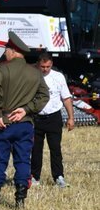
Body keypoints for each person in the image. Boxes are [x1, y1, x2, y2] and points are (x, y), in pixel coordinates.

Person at [0, 32, 49, 208]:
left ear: (13, 51)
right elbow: (44, 96)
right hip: (25, 123)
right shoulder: (35, 73)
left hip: (4, 123)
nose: (4, 52)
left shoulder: (1, 69)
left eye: (6, 49)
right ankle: (20, 198)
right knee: (22, 161)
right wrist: (27, 109)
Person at [31, 52, 75, 188]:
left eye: (48, 66)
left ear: (52, 65)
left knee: (55, 148)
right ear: (38, 64)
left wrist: (71, 117)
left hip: (54, 117)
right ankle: (34, 177)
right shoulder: (32, 76)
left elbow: (66, 98)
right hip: (37, 118)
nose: (45, 69)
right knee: (35, 149)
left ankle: (58, 177)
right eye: (43, 66)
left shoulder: (58, 77)